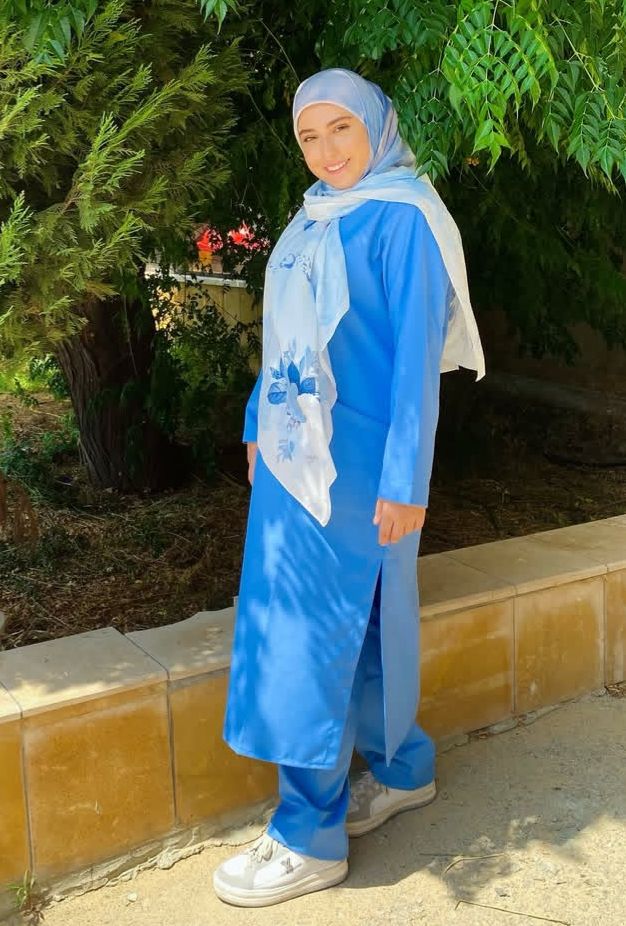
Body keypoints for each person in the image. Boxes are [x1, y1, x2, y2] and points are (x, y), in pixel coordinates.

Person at [213, 67, 485, 908]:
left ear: (377, 127)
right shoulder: (313, 214)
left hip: (363, 472)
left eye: (342, 129)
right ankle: (404, 770)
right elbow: (285, 338)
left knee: (312, 636)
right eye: (309, 135)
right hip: (295, 462)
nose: (327, 150)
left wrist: (407, 482)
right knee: (362, 625)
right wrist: (257, 419)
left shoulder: (404, 219)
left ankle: (308, 835)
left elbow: (414, 368)